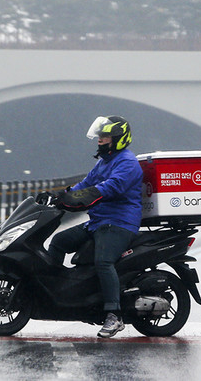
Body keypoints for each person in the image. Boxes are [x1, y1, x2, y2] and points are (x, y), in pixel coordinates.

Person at [46, 115, 143, 338]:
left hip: (119, 222)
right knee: (59, 241)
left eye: (105, 136)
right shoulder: (104, 162)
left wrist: (82, 196)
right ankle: (54, 291)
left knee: (103, 261)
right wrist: (61, 196)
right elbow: (87, 183)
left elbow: (109, 187)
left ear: (118, 138)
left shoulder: (127, 163)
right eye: (99, 136)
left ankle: (114, 315)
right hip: (99, 221)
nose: (100, 140)